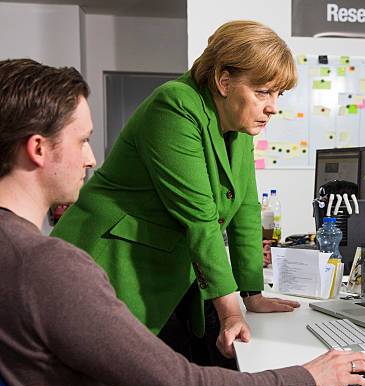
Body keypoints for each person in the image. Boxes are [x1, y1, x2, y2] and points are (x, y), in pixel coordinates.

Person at [0, 58, 365, 386]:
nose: (92, 159)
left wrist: (251, 292)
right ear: (37, 148)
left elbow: (244, 205)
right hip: (121, 263)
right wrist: (308, 377)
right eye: (83, 140)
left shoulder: (14, 250)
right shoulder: (47, 266)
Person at [51, 20, 304, 366]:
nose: (273, 106)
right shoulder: (175, 106)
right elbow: (200, 218)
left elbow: (244, 205)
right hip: (112, 258)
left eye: (278, 94)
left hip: (168, 263)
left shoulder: (239, 124)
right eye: (262, 92)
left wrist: (252, 293)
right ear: (224, 80)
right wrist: (230, 313)